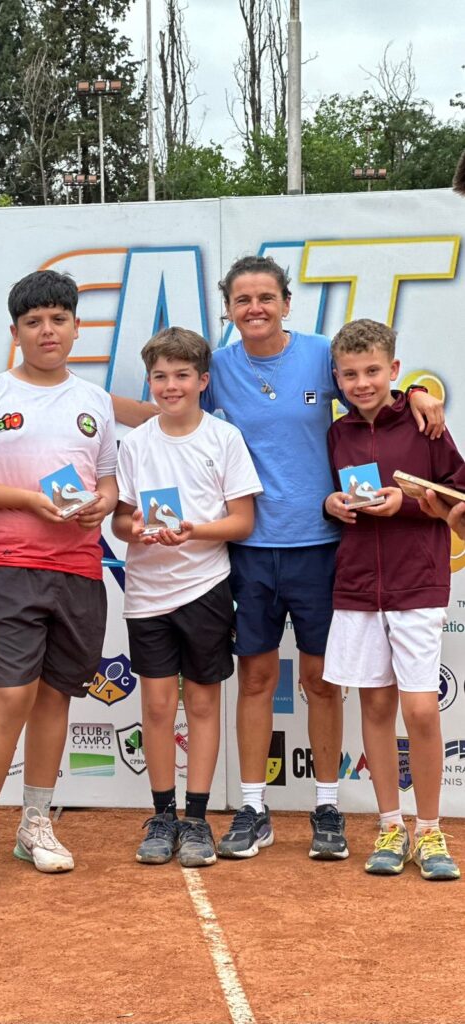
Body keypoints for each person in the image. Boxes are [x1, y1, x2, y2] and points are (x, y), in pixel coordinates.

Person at [112, 254, 443, 860]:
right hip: (248, 550)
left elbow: (370, 382)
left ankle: (325, 805)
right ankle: (254, 808)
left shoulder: (320, 352)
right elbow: (170, 408)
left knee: (320, 682)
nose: (255, 308)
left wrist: (417, 393)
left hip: (322, 546)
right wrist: (93, 406)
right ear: (230, 310)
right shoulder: (219, 366)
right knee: (258, 678)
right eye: (242, 300)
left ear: (287, 302)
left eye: (266, 297)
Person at [0, 270, 118, 892]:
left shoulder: (94, 402)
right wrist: (26, 500)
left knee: (54, 698)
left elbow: (110, 480)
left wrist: (102, 502)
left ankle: (35, 823)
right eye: (34, 322)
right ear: (15, 332)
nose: (48, 331)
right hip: (11, 567)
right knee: (9, 695)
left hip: (80, 570)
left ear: (76, 327)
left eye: (58, 320)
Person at [112, 327, 261, 868]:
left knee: (201, 703)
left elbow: (242, 522)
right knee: (154, 706)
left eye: (181, 376)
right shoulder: (134, 442)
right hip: (146, 592)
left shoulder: (224, 439)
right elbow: (120, 519)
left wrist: (192, 531)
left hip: (205, 589)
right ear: (149, 381)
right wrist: (138, 530)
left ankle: (196, 820)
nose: (170, 386)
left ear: (202, 381)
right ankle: (162, 816)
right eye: (159, 376)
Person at [323, 318, 464, 880]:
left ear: (395, 372)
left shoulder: (428, 424)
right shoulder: (337, 434)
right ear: (337, 377)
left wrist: (404, 504)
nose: (363, 382)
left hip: (418, 584)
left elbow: (456, 497)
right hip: (357, 587)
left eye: (373, 371)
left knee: (421, 709)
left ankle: (429, 831)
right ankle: (390, 824)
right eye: (351, 374)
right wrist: (333, 505)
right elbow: (330, 497)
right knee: (375, 707)